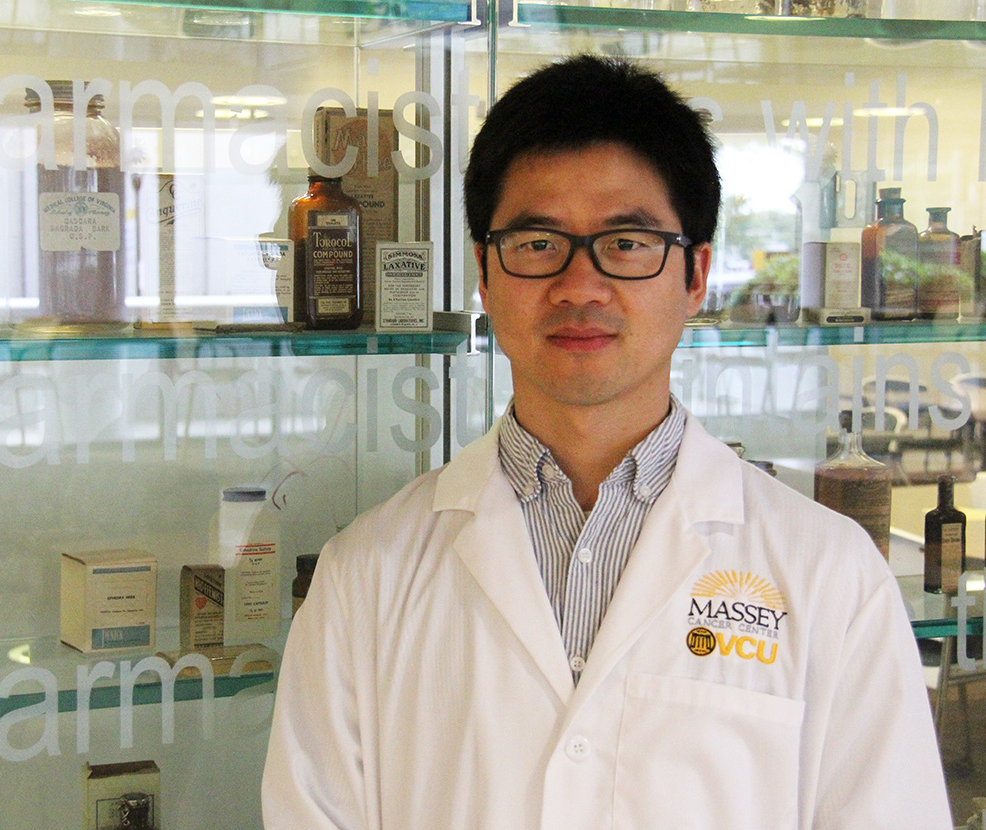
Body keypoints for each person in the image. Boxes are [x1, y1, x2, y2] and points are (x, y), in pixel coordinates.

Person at [262, 54, 951, 829]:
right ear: (485, 274)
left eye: (626, 243)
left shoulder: (832, 578)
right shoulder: (364, 576)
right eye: (537, 243)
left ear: (695, 276)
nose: (580, 287)